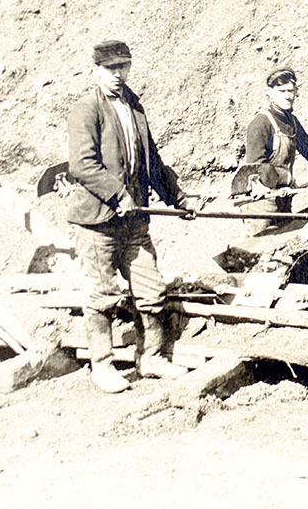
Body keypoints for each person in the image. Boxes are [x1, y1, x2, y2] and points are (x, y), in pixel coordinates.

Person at [66, 39, 199, 392]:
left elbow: (151, 161)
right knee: (102, 293)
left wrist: (178, 197)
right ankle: (103, 365)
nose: (118, 75)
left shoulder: (134, 106)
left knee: (151, 288)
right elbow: (82, 165)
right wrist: (117, 194)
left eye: (123, 68)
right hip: (97, 220)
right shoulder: (86, 109)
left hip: (134, 219)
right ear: (95, 70)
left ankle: (152, 358)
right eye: (111, 69)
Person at [242, 67, 308, 237]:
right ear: (270, 93)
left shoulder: (291, 122)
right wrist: (286, 177)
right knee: (261, 254)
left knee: (285, 250)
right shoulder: (260, 124)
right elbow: (255, 170)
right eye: (282, 91)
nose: (288, 96)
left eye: (291, 90)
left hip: (284, 199)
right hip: (261, 203)